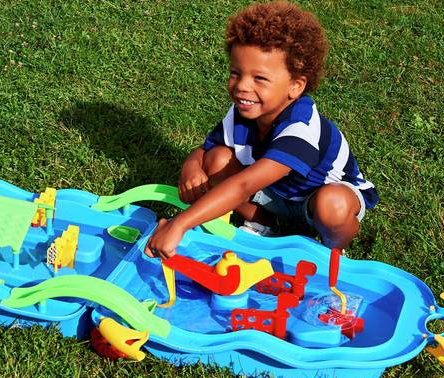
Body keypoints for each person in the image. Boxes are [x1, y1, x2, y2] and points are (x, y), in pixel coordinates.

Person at [144, 1, 378, 260]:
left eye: (260, 78)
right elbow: (206, 150)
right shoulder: (244, 111)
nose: (242, 86)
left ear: (296, 86)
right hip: (275, 192)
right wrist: (191, 165)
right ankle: (263, 223)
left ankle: (333, 250)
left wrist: (180, 224)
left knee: (332, 206)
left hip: (318, 198)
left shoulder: (302, 129)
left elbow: (244, 185)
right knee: (217, 159)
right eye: (236, 73)